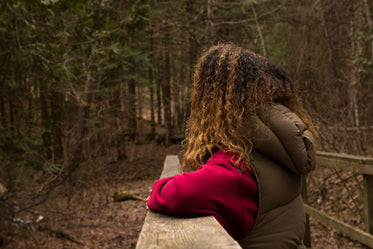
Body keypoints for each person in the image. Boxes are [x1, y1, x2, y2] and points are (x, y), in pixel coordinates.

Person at [146, 43, 317, 249]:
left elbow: (176, 195)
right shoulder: (276, 149)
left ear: (214, 104)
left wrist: (158, 188)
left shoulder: (236, 167)